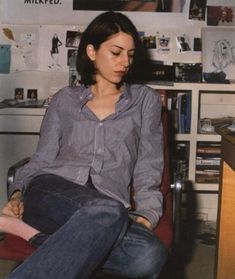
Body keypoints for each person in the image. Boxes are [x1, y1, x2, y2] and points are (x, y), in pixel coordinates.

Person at [0, 11, 167, 279]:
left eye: (131, 54)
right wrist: (17, 195)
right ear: (91, 51)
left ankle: (34, 238)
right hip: (51, 191)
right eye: (116, 52)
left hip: (108, 204)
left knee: (149, 255)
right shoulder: (64, 99)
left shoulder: (144, 101)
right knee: (107, 211)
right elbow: (42, 158)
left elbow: (149, 165)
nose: (125, 62)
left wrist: (147, 215)